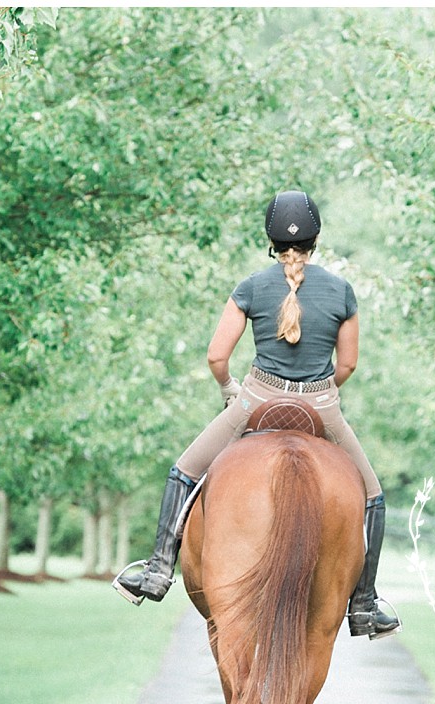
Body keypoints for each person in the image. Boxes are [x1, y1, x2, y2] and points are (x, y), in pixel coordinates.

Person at [115, 190, 400, 639]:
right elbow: (347, 365)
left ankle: (157, 570)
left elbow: (216, 356)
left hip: (255, 401)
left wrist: (231, 390)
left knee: (184, 472)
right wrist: (322, 396)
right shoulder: (342, 291)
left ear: (270, 241)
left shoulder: (250, 287)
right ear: (316, 239)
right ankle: (365, 605)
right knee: (372, 496)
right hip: (321, 404)